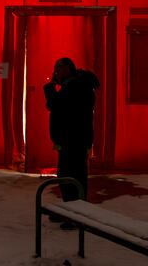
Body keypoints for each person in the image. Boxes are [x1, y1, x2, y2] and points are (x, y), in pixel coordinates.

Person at [43, 57, 100, 208]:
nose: (56, 72)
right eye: (55, 69)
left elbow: (58, 106)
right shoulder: (74, 84)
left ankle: (76, 213)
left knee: (71, 176)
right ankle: (71, 210)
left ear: (68, 69)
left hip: (73, 139)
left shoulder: (76, 86)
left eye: (59, 68)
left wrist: (49, 90)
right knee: (69, 175)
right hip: (72, 138)